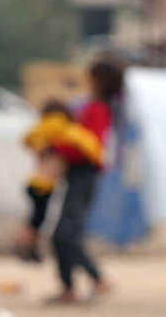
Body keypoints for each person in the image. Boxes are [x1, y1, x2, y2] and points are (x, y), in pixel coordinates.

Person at [44, 60, 118, 304]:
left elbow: (88, 146)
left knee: (65, 235)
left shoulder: (97, 109)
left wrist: (59, 149)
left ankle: (94, 281)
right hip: (77, 176)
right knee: (64, 235)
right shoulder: (92, 107)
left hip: (84, 176)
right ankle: (72, 287)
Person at [15, 100, 74, 264]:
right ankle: (23, 245)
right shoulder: (56, 130)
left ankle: (30, 247)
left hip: (35, 182)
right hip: (42, 185)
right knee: (36, 220)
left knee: (36, 219)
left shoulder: (42, 135)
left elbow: (26, 141)